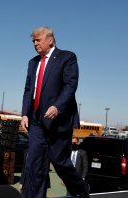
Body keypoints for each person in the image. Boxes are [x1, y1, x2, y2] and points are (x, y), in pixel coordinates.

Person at [20, 27, 89, 198]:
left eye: (38, 40)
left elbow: (70, 86)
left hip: (59, 120)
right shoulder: (33, 62)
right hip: (36, 121)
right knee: (34, 163)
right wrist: (24, 114)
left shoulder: (67, 57)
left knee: (59, 161)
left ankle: (80, 190)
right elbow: (29, 89)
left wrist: (58, 106)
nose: (35, 44)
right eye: (33, 41)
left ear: (50, 40)